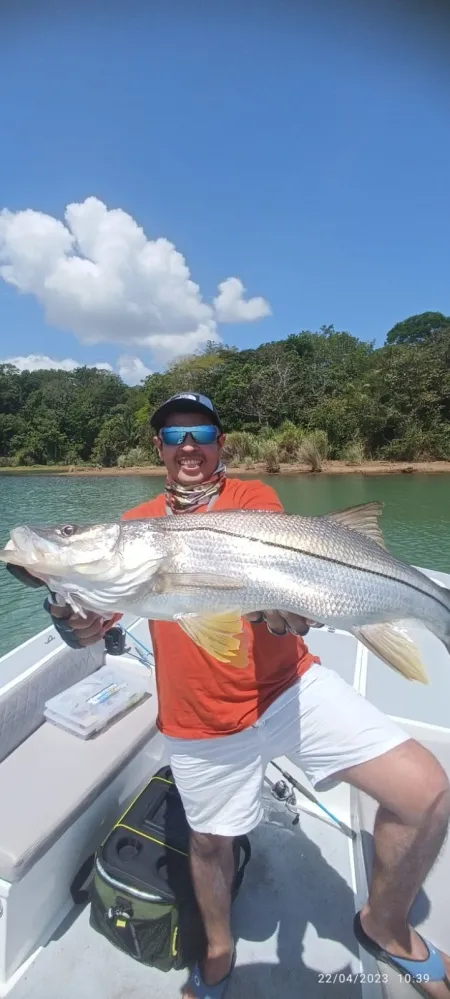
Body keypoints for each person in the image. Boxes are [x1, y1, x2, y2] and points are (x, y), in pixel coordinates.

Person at [44, 393, 450, 999]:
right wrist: (71, 621)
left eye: (201, 432)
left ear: (220, 444)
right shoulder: (135, 526)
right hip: (200, 716)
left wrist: (284, 608)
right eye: (173, 435)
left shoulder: (253, 503)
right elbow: (94, 619)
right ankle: (218, 949)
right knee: (209, 844)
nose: (188, 445)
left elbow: (278, 590)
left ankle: (385, 927)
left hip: (289, 689)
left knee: (429, 795)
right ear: (157, 447)